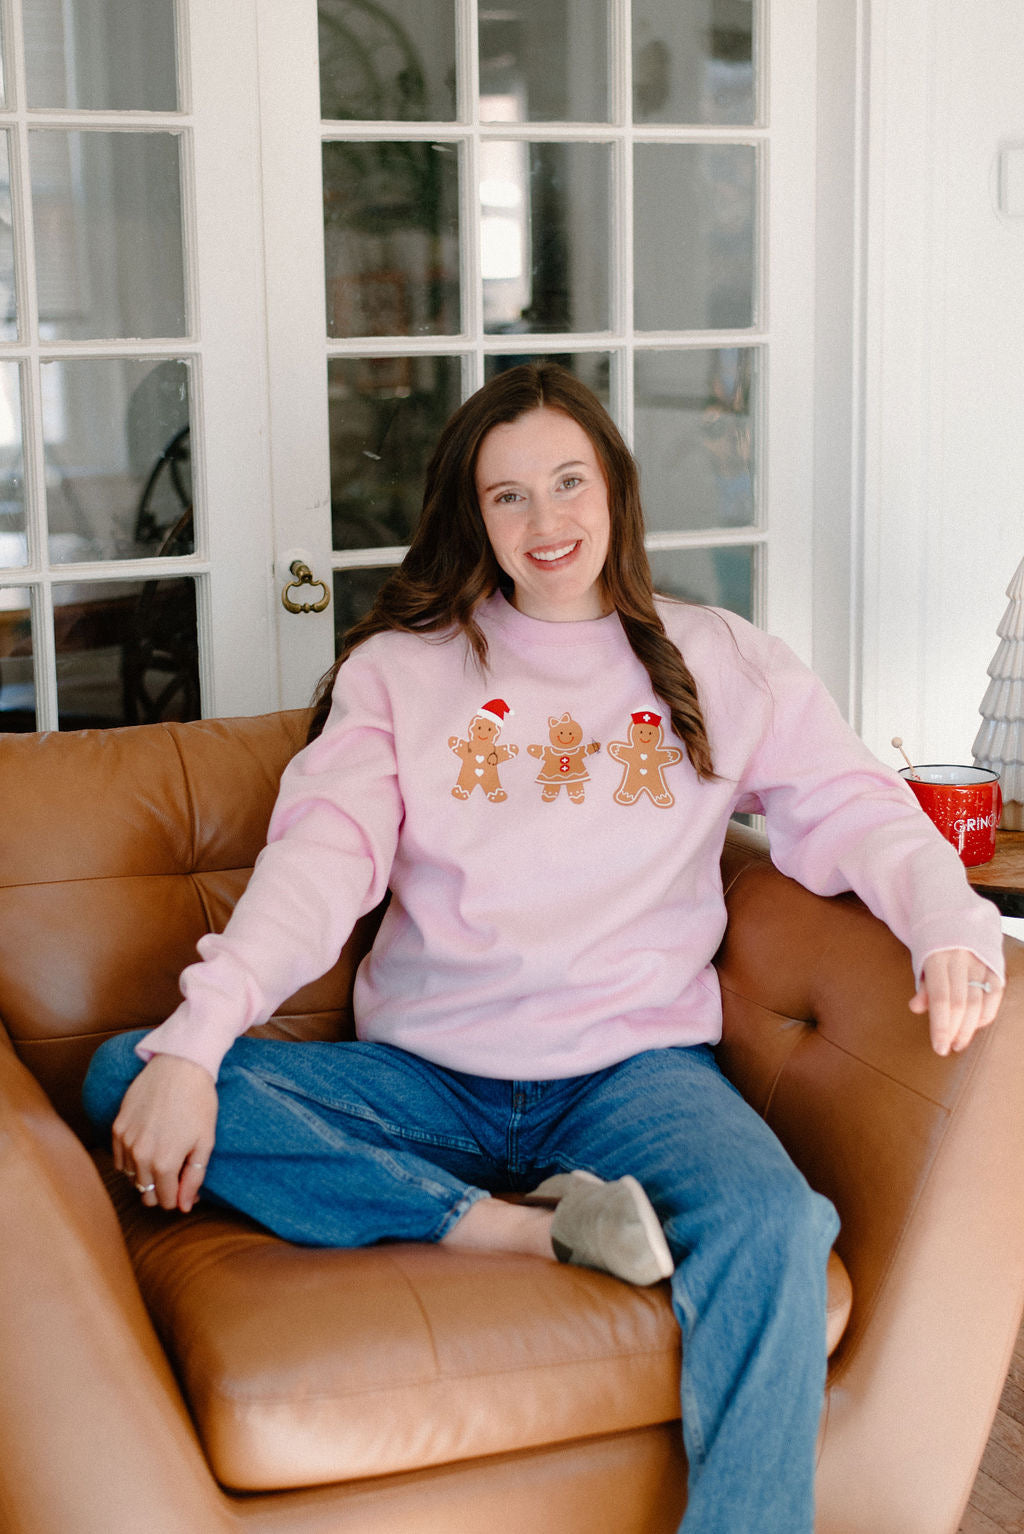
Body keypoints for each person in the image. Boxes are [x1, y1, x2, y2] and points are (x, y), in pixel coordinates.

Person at [84, 362, 1006, 1533]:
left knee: (775, 1225)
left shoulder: (721, 660)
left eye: (568, 481)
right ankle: (514, 1229)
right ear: (474, 517)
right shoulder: (402, 673)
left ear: (613, 489)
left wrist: (945, 923)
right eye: (508, 495)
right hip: (429, 1083)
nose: (545, 519)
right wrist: (198, 1041)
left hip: (637, 1080)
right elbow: (319, 869)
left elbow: (859, 809)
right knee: (129, 1068)